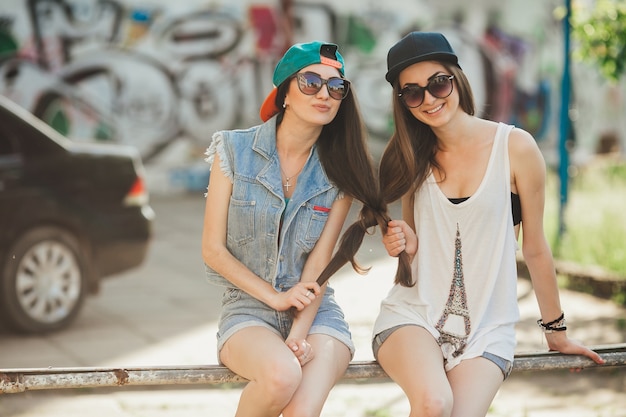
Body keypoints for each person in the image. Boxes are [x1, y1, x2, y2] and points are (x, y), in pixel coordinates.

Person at [373, 31, 605, 417]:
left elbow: (534, 246)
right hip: (412, 317)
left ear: (457, 79)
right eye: (413, 93)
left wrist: (556, 331)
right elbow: (415, 251)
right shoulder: (411, 156)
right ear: (404, 103)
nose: (429, 99)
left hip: (487, 328)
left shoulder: (515, 148)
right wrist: (405, 244)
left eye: (438, 83)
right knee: (434, 403)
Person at [201, 41, 380, 417]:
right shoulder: (232, 151)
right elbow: (212, 250)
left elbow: (318, 264)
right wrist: (276, 297)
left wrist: (298, 336)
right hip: (247, 309)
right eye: (311, 81)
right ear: (284, 92)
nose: (325, 93)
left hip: (317, 313)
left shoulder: (339, 172)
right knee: (281, 377)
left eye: (336, 87)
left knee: (301, 409)